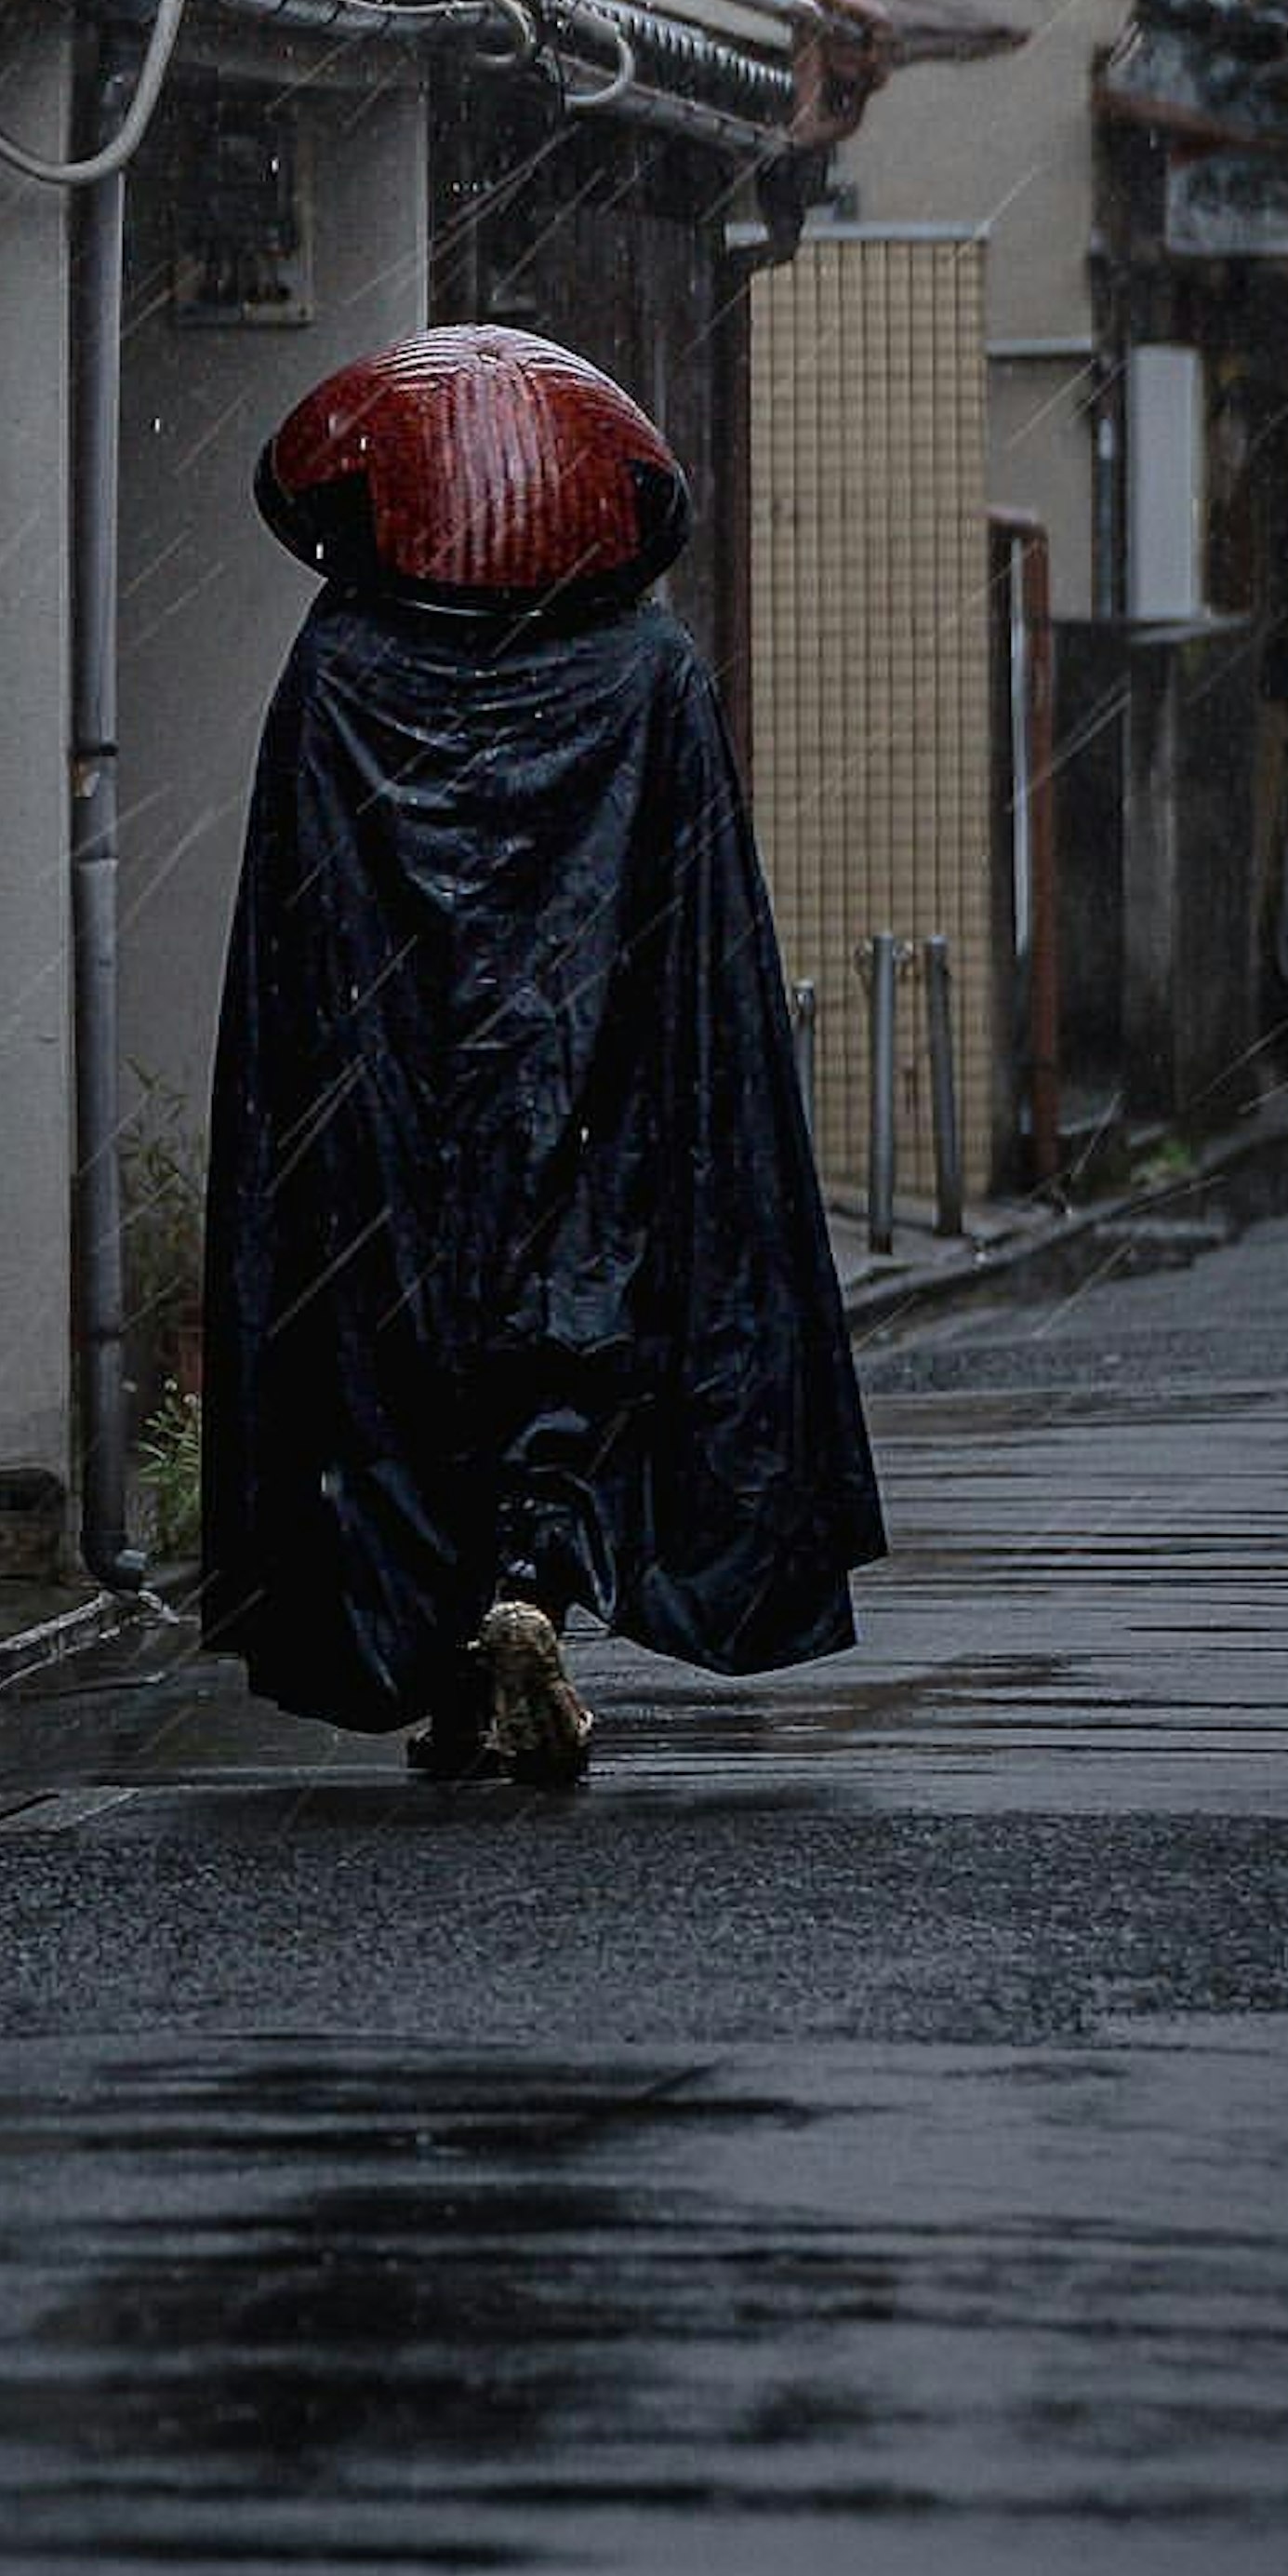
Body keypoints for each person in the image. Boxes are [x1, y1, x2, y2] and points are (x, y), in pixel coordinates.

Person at [201, 323, 883, 1784]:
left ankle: (443, 1642)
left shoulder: (340, 671)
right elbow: (692, 926)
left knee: (392, 1354)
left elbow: (300, 928)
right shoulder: (648, 670)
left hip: (395, 1093)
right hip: (597, 1089)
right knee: (586, 1333)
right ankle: (532, 1587)